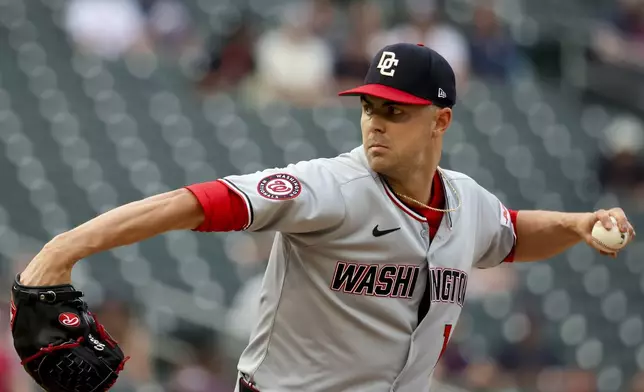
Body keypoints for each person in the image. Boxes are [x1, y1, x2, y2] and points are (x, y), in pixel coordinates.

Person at [17, 43, 635, 392]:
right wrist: (61, 250)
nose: (374, 122)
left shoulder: (467, 201)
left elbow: (512, 234)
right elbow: (195, 202)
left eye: (395, 111)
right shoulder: (330, 186)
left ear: (440, 121)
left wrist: (579, 224)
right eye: (369, 106)